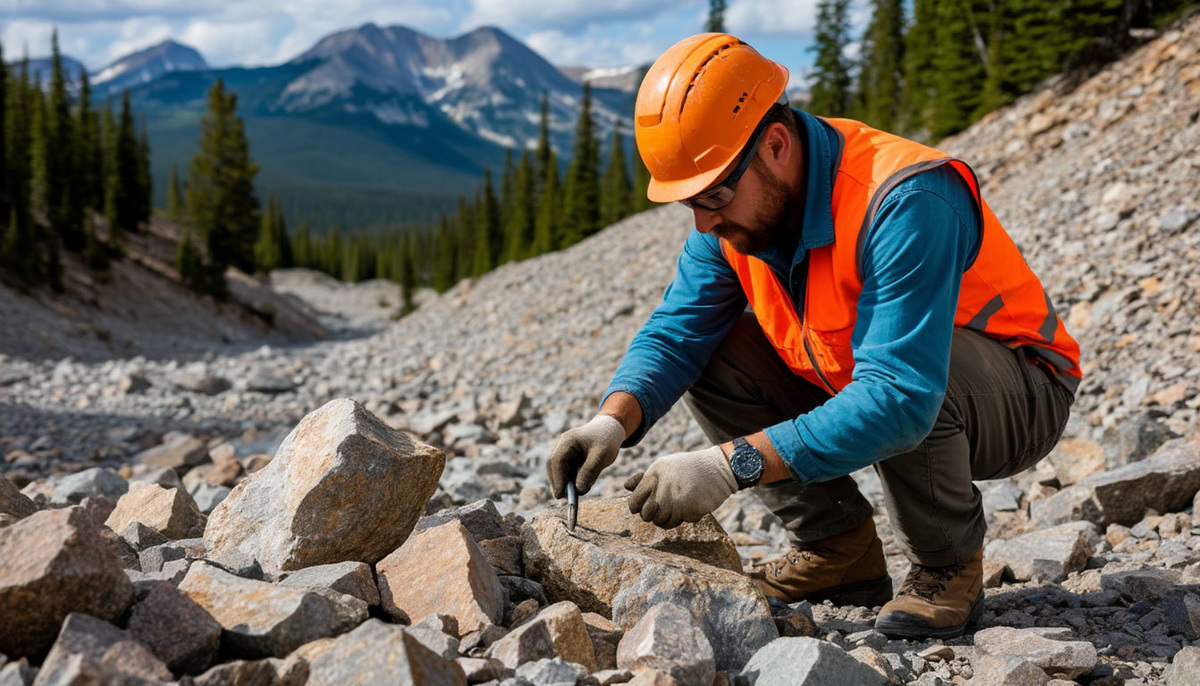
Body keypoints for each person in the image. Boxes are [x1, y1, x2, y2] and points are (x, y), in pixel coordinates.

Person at [545, 33, 1081, 640]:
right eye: (688, 203)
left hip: (1017, 390)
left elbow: (900, 397)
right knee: (716, 350)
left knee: (910, 379)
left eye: (714, 195)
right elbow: (678, 331)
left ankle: (946, 563)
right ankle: (838, 552)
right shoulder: (732, 216)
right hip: (852, 372)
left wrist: (730, 466)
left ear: (775, 144)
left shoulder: (906, 197)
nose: (703, 222)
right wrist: (612, 421)